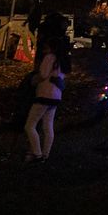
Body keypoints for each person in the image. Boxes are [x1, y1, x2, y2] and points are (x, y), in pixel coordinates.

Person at [24, 30, 71, 163]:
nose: (44, 48)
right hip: (56, 96)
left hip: (44, 94)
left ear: (52, 47)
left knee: (30, 125)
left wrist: (34, 80)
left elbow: (43, 74)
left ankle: (37, 154)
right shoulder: (63, 60)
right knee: (48, 125)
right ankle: (45, 154)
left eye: (47, 46)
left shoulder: (50, 57)